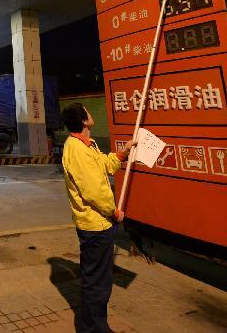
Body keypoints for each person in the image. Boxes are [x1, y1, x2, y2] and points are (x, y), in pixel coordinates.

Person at [60, 103, 135, 333]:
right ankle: (93, 329)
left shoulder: (87, 145)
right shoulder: (76, 149)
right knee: (96, 283)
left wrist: (122, 154)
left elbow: (103, 165)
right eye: (88, 110)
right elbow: (93, 191)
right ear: (83, 120)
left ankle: (93, 326)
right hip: (95, 226)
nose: (91, 113)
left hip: (99, 223)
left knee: (99, 280)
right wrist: (113, 211)